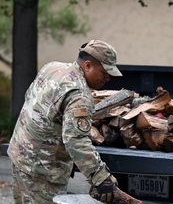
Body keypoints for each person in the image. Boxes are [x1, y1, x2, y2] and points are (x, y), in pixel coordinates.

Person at [7, 39, 126, 204]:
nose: (108, 78)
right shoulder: (79, 94)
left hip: (21, 155)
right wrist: (100, 176)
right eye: (105, 72)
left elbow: (30, 98)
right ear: (88, 65)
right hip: (43, 170)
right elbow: (76, 140)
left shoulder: (52, 68)